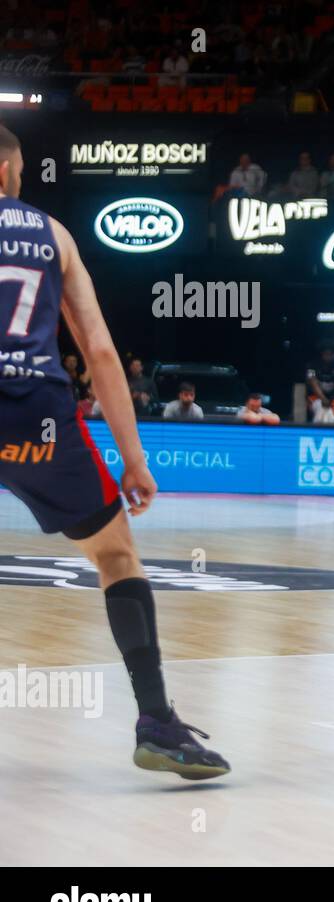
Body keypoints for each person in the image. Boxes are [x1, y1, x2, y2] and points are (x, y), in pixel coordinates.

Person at [0, 124, 228, 778]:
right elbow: (99, 351)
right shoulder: (53, 235)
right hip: (37, 416)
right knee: (115, 555)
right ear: (11, 174)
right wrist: (135, 459)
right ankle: (157, 722)